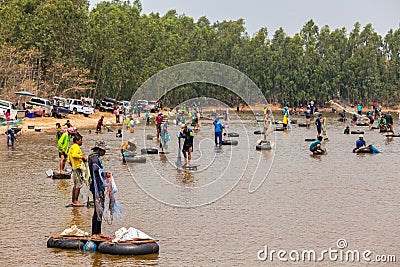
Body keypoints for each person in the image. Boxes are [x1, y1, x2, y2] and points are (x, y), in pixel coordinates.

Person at [88, 141, 108, 235]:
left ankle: (96, 232)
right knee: (98, 209)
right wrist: (104, 173)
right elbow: (95, 170)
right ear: (99, 150)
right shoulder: (95, 159)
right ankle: (96, 233)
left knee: (98, 209)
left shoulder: (93, 157)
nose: (104, 153)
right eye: (103, 150)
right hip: (97, 187)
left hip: (96, 186)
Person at [68, 134, 87, 207]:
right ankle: (75, 201)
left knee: (75, 185)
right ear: (77, 141)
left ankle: (73, 200)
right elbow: (74, 155)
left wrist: (72, 166)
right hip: (77, 168)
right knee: (78, 185)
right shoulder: (76, 147)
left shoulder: (71, 148)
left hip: (74, 167)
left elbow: (69, 160)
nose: (82, 142)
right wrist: (82, 157)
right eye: (81, 140)